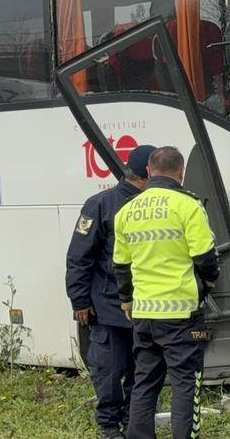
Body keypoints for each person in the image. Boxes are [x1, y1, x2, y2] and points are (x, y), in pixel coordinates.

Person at [113, 146, 220, 439]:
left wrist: (127, 300)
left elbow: (121, 266)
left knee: (145, 384)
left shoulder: (126, 211)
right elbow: (206, 259)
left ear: (148, 171)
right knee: (186, 384)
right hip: (181, 315)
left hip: (144, 315)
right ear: (181, 172)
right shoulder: (188, 205)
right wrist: (205, 287)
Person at [66, 144, 156, 439]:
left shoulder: (155, 203)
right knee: (108, 370)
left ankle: (133, 420)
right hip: (107, 307)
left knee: (140, 370)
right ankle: (108, 426)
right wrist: (79, 299)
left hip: (145, 306)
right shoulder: (101, 204)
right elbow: (79, 256)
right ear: (146, 173)